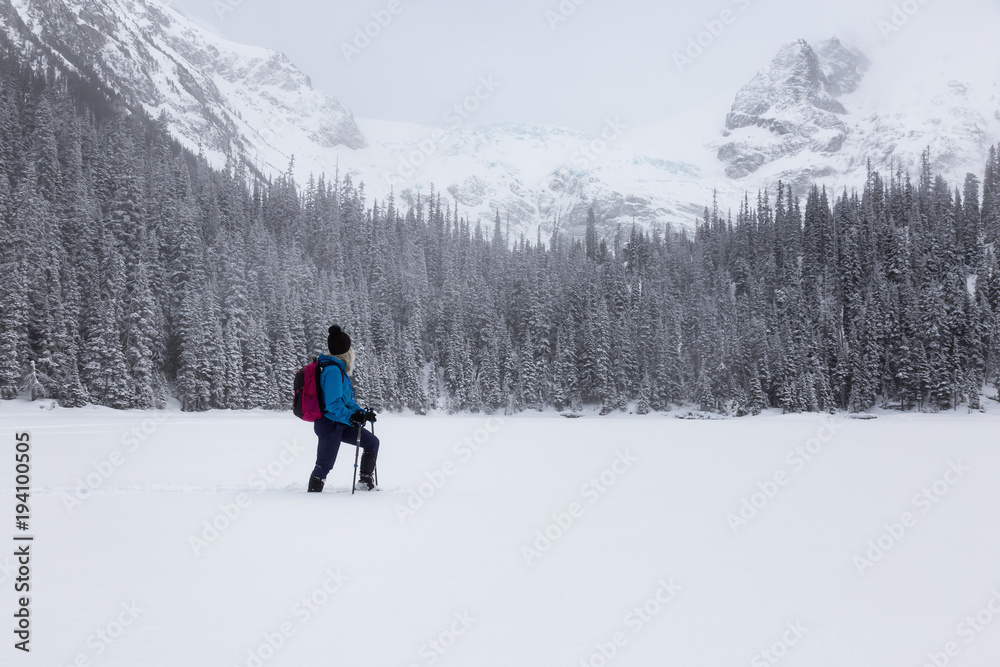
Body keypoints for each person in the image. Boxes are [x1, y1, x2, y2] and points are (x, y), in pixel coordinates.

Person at [307, 325, 379, 492]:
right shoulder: (332, 371)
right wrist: (351, 418)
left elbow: (347, 401)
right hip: (329, 424)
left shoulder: (338, 370)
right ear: (346, 351)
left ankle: (365, 483)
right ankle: (311, 498)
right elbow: (333, 404)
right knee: (324, 466)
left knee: (372, 442)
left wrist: (361, 413)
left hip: (340, 422)